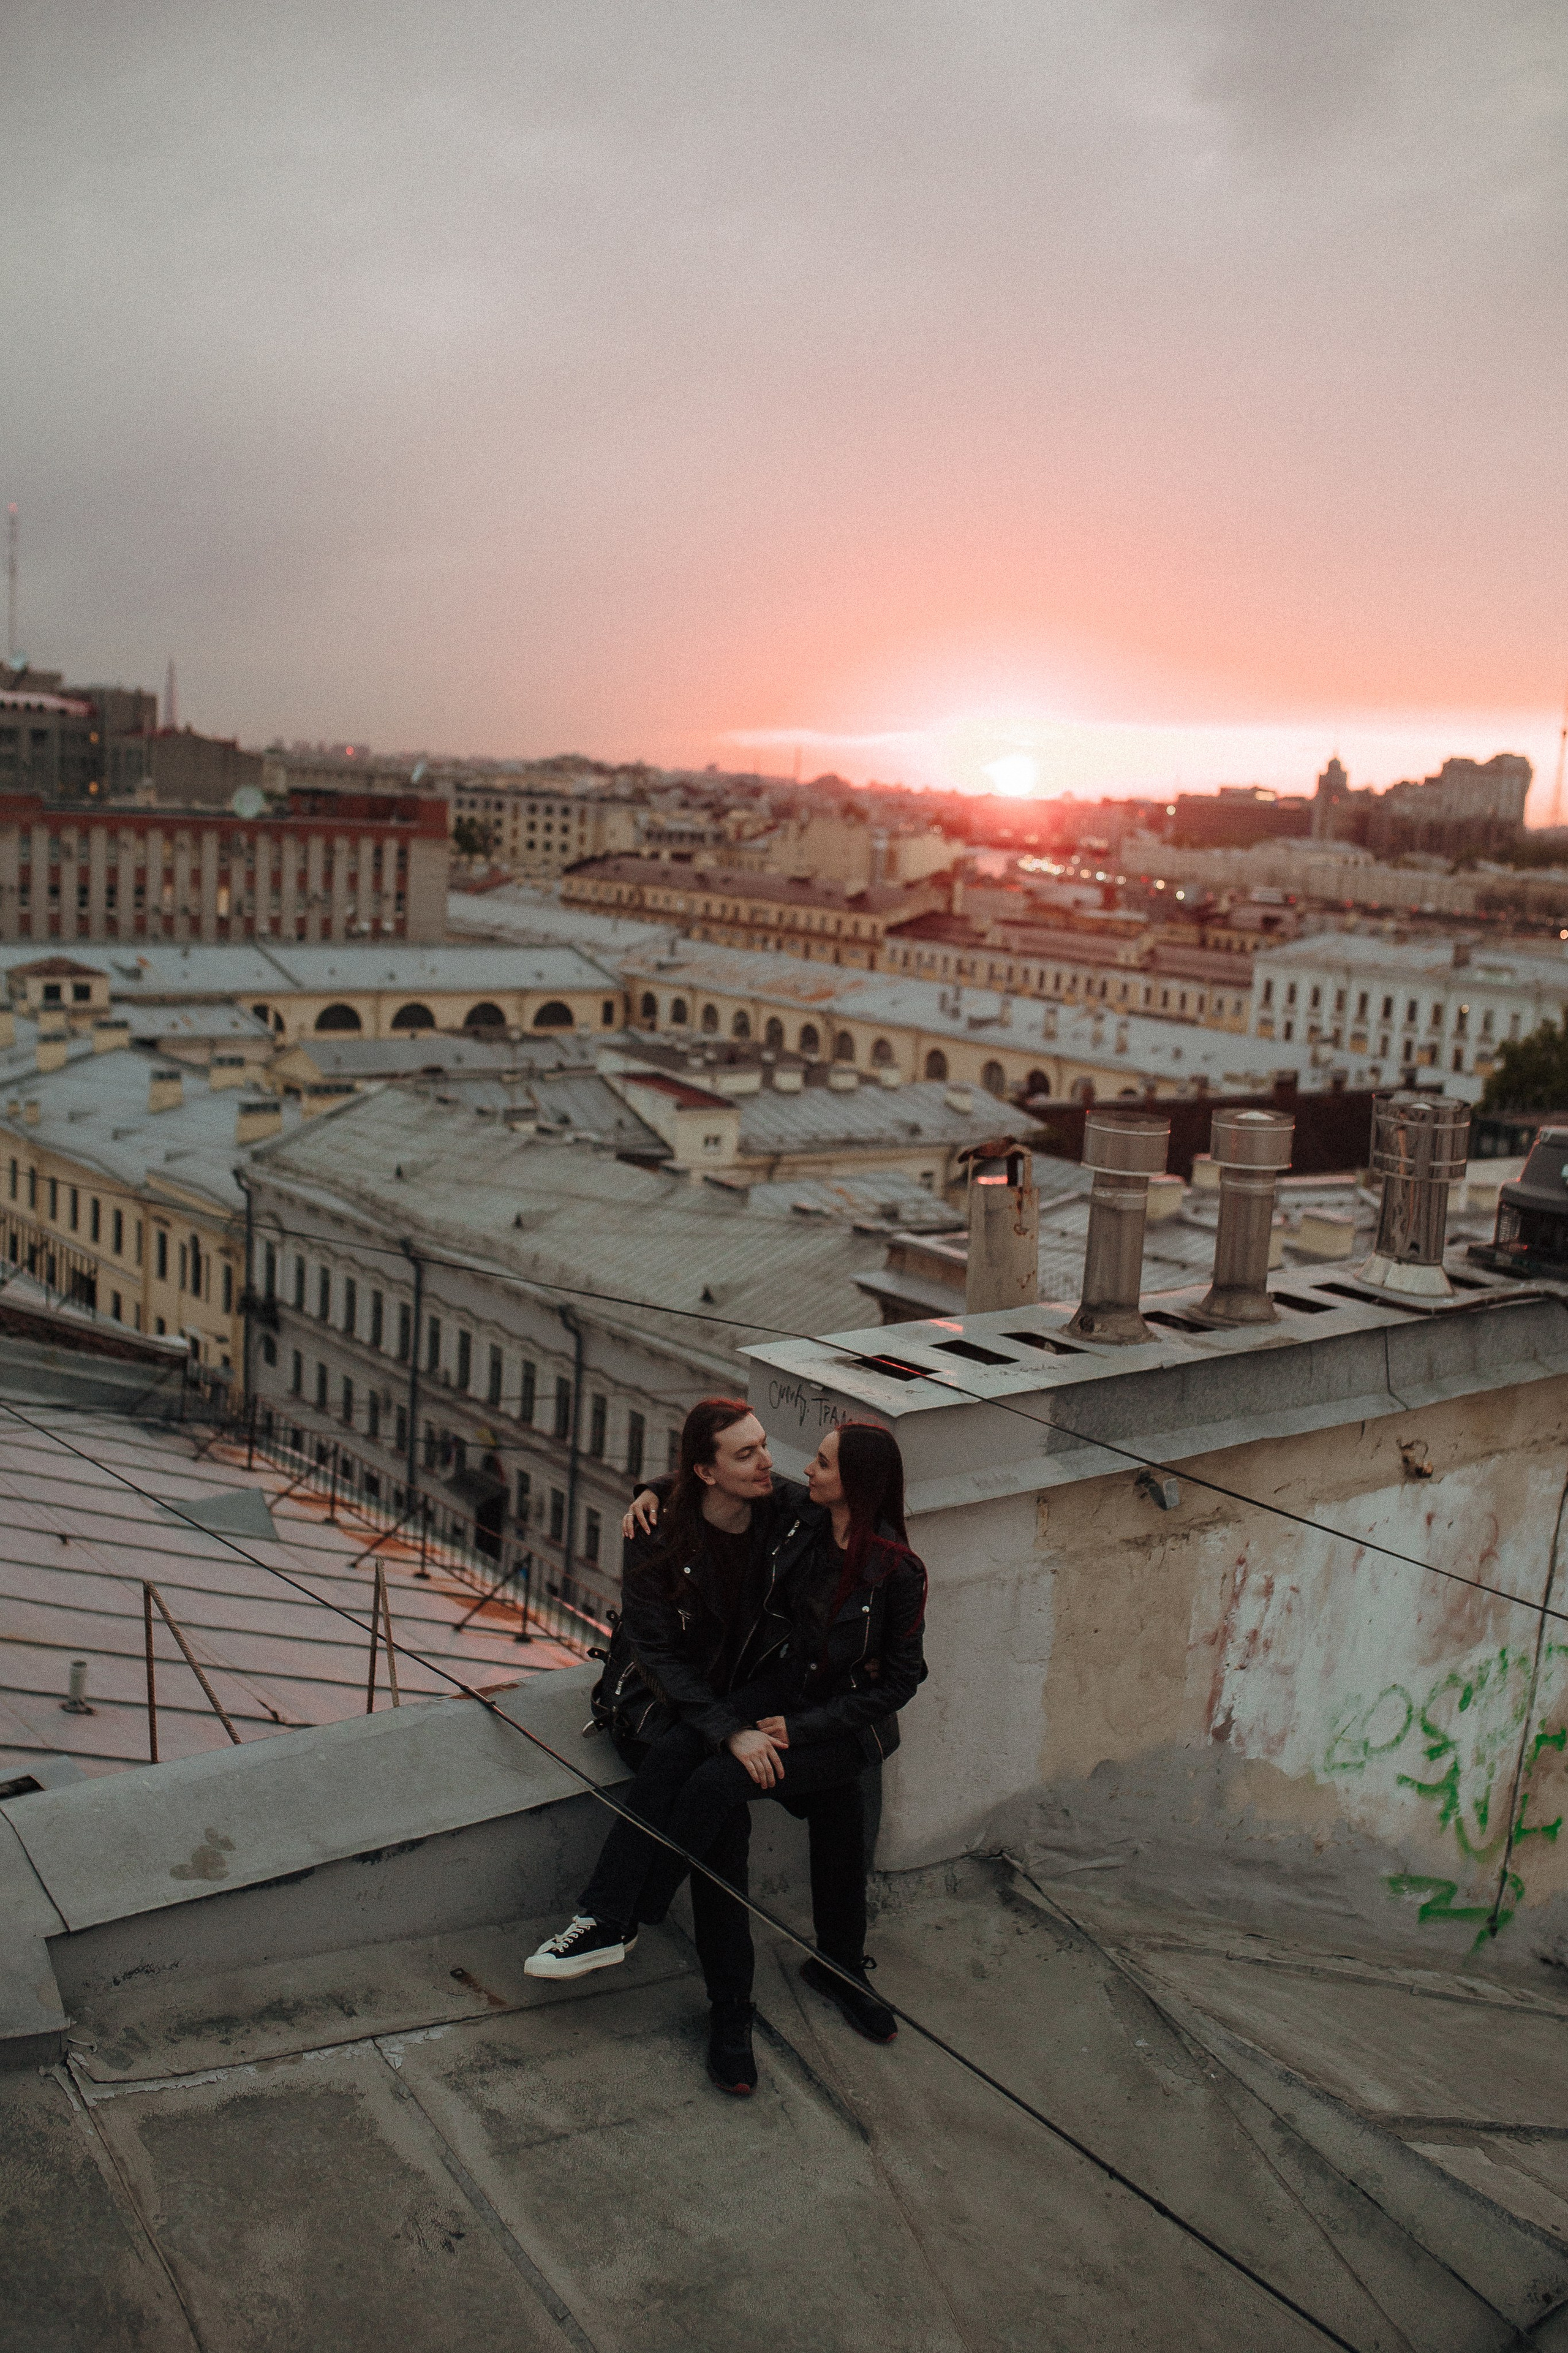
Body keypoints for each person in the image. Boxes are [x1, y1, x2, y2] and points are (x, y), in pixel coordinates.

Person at [524, 1398, 810, 2097]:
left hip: (752, 1696)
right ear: (705, 1472)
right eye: (745, 1454)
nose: (767, 1461)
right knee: (722, 1826)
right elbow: (654, 1650)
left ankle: (610, 1918)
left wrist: (736, 1723)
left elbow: (860, 1510)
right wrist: (725, 1730)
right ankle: (731, 2015)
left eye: (764, 1446)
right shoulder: (658, 1533)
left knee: (712, 1799)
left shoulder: (788, 1514)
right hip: (662, 1703)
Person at [619, 1421, 927, 2047]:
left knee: (842, 1806)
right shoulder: (804, 1521)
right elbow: (713, 1474)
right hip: (772, 1704)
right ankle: (728, 2002)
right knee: (718, 1801)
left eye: (821, 1463)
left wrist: (805, 1725)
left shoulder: (896, 1569)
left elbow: (901, 1679)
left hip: (833, 1728)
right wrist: (652, 1488)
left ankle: (840, 1967)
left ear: (855, 1484)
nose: (802, 1470)